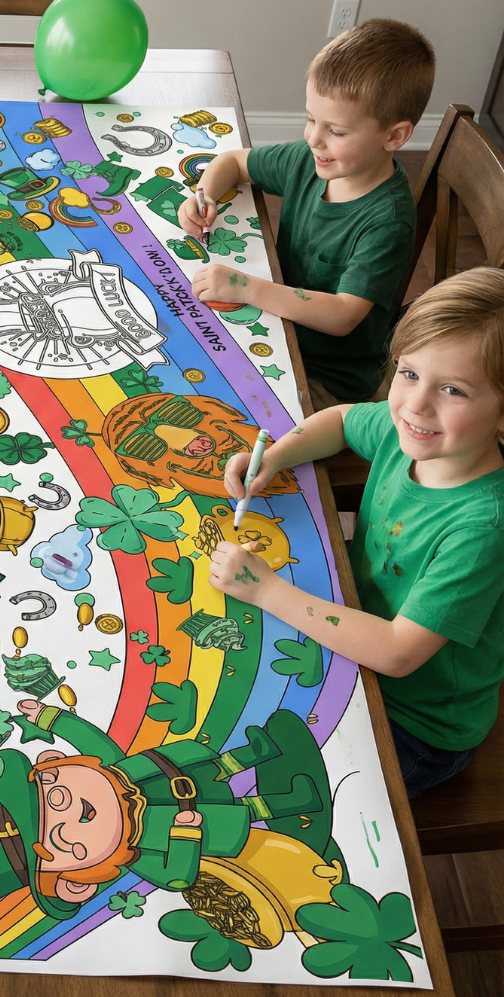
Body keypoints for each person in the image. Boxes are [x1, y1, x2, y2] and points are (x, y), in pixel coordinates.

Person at [209, 268, 504, 797]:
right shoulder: (409, 431)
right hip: (353, 627)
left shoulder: (483, 527)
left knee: (265, 791)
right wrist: (275, 456)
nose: (415, 404)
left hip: (417, 724)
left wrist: (268, 590)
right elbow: (342, 419)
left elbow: (397, 653)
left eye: (453, 390)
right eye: (408, 373)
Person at [178, 18, 435, 408]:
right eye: (311, 118)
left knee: (212, 407)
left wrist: (246, 287)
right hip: (276, 329)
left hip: (326, 378)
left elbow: (343, 316)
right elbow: (233, 161)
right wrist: (205, 194)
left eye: (337, 131)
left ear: (394, 136)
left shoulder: (387, 220)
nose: (314, 138)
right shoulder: (310, 159)